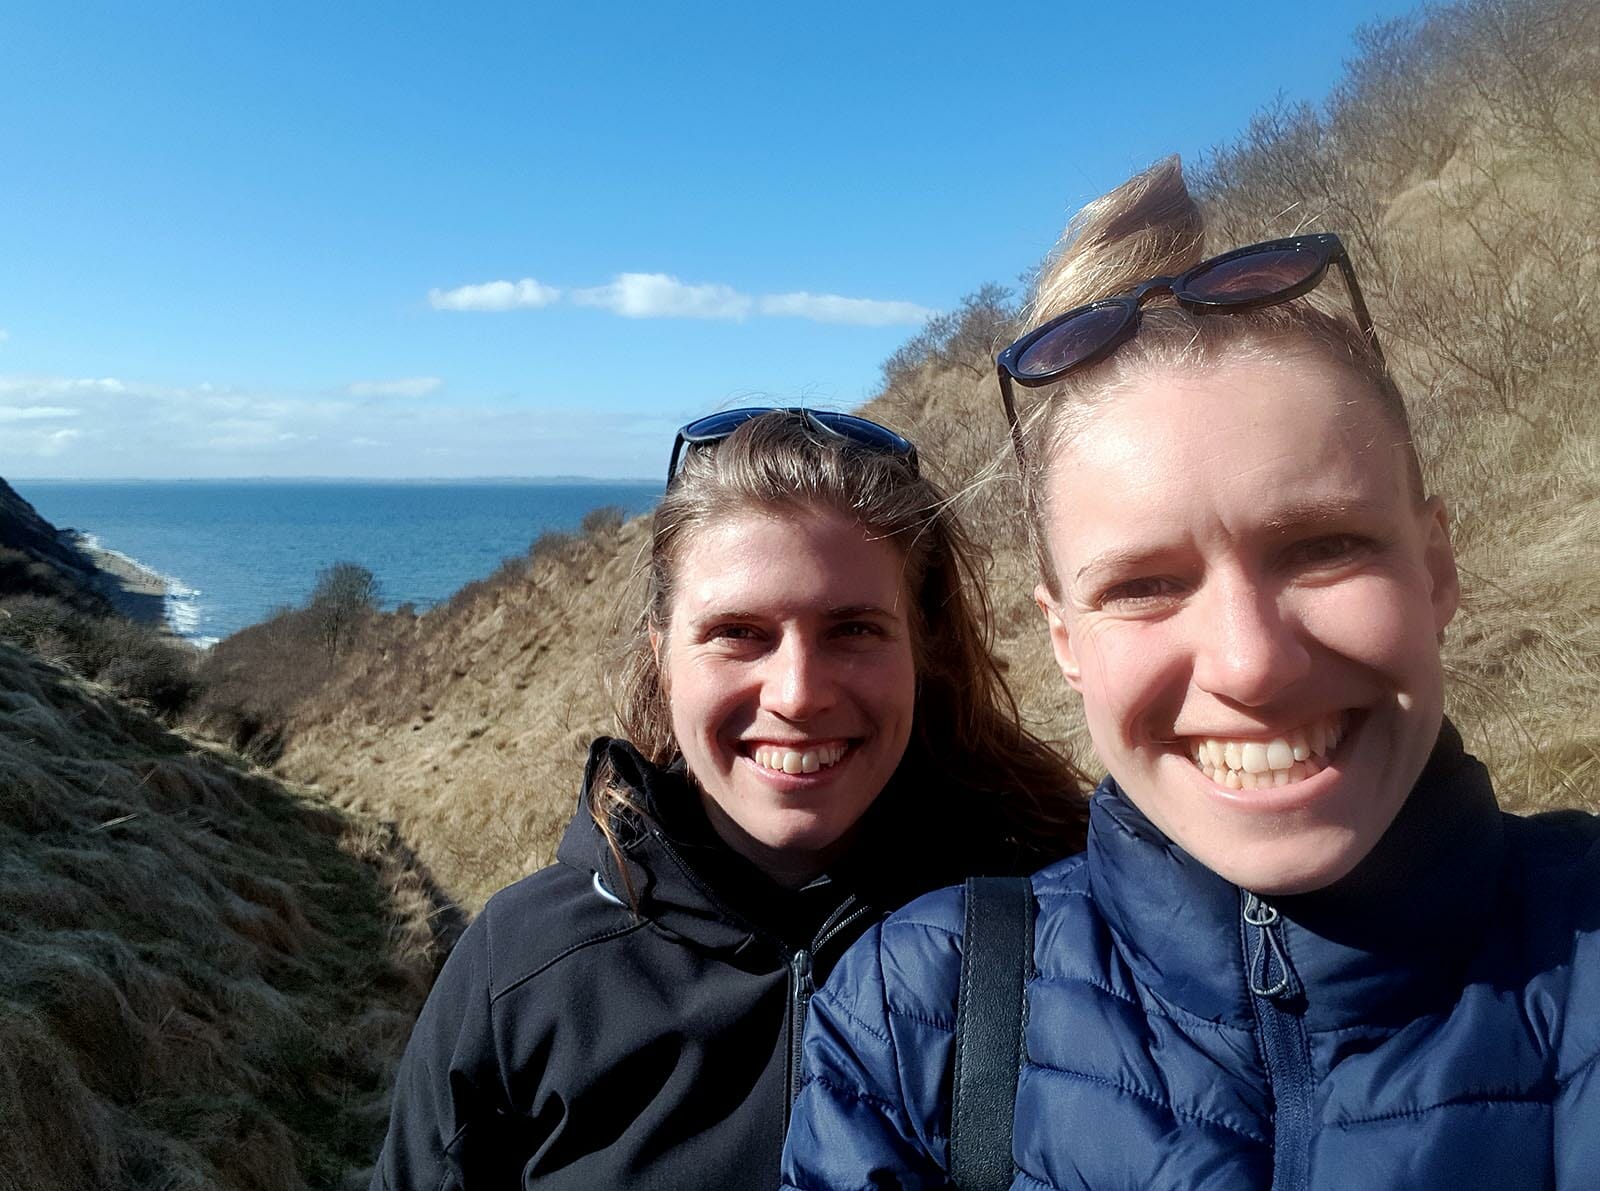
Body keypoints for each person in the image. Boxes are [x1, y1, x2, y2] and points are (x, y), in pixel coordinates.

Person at [782, 159, 1600, 1190]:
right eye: (1143, 585)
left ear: (1434, 568)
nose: (1250, 663)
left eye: (1320, 548)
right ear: (1064, 638)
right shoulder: (912, 1026)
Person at [369, 407, 1088, 1190]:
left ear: (924, 649)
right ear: (662, 656)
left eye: (852, 629)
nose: (798, 693)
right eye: (739, 631)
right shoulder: (523, 962)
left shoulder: (1067, 935)